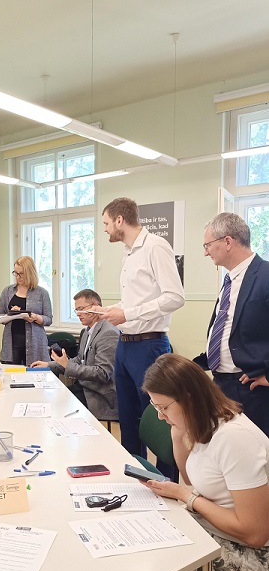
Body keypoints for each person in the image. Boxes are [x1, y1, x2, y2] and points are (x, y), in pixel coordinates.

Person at [78, 353, 269, 571]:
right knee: (127, 566)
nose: (160, 415)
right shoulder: (202, 425)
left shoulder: (236, 439)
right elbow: (195, 481)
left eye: (164, 407)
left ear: (189, 398)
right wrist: (178, 434)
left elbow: (255, 532)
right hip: (215, 527)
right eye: (156, 407)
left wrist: (186, 496)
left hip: (251, 552)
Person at [95, 197, 184, 465]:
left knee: (159, 419)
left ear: (120, 220)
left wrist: (128, 314)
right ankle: (135, 473)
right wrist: (108, 310)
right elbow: (134, 302)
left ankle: (167, 481)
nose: (105, 229)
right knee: (128, 419)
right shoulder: (128, 252)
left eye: (106, 223)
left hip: (149, 346)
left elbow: (175, 297)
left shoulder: (156, 246)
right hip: (125, 345)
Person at [194, 212, 269, 438]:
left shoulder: (265, 274)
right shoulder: (230, 280)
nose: (206, 252)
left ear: (227, 241)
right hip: (221, 383)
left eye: (208, 245)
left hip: (252, 388)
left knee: (254, 451)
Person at [31, 289, 118, 420]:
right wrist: (48, 365)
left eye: (81, 309)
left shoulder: (108, 333)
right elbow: (79, 360)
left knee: (58, 405)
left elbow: (102, 373)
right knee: (53, 398)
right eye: (76, 310)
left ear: (96, 307)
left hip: (99, 395)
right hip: (85, 387)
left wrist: (67, 366)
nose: (78, 314)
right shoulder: (87, 331)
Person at [0, 256, 52, 365]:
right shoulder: (7, 291)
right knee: (11, 372)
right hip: (12, 342)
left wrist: (35, 317)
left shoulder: (42, 293)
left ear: (30, 273)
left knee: (34, 371)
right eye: (15, 273)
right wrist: (10, 314)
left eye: (21, 274)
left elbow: (48, 319)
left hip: (35, 343)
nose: (18, 277)